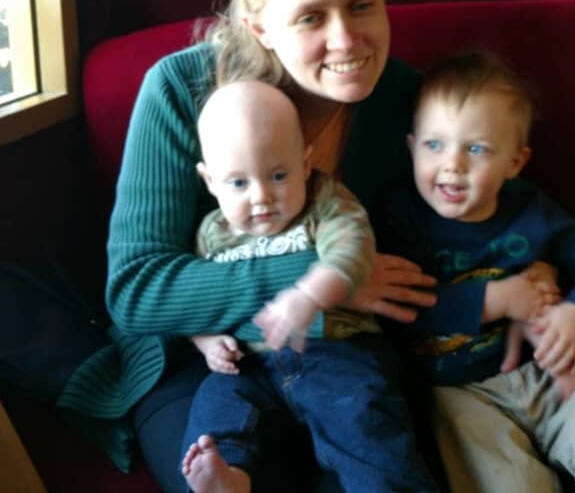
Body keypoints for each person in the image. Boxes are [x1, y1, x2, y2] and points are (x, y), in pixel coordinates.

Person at [58, 0, 443, 493]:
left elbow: (471, 226)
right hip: (203, 359)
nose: (347, 40)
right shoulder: (181, 91)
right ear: (257, 25)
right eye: (312, 17)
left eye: (362, 4)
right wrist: (322, 279)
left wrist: (535, 277)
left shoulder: (407, 101)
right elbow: (136, 290)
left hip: (345, 361)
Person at [377, 51, 575, 493]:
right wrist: (495, 300)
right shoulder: (400, 219)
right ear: (411, 147)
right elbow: (398, 307)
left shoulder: (529, 210)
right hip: (460, 392)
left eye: (476, 148)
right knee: (501, 476)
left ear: (514, 163)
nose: (452, 164)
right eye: (434, 144)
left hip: (547, 371)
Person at [180, 78, 439, 493]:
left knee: (365, 426)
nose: (262, 196)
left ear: (305, 163)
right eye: (239, 183)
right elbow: (193, 301)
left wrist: (310, 294)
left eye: (278, 174)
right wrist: (207, 341)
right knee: (216, 405)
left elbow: (353, 251)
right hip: (250, 362)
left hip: (336, 351)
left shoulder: (326, 202)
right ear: (209, 181)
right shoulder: (212, 233)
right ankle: (226, 474)